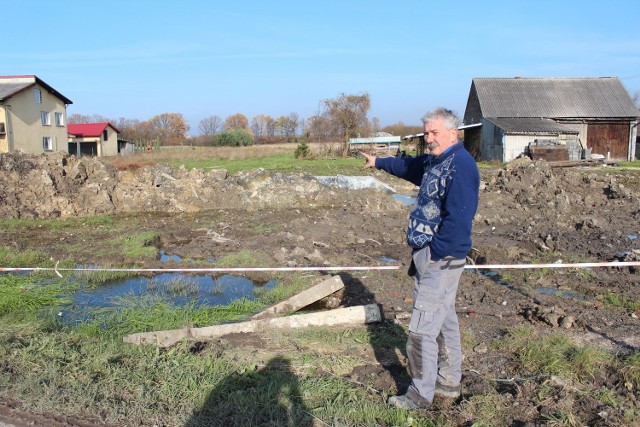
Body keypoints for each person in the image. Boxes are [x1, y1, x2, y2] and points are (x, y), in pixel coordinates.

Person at [361, 107, 480, 410]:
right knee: (444, 320)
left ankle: (419, 394)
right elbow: (408, 166)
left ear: (454, 133)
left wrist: (433, 254)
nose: (428, 138)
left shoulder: (461, 166)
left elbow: (459, 220)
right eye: (426, 133)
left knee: (421, 329)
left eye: (434, 132)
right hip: (435, 257)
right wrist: (377, 162)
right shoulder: (433, 161)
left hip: (440, 259)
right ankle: (450, 379)